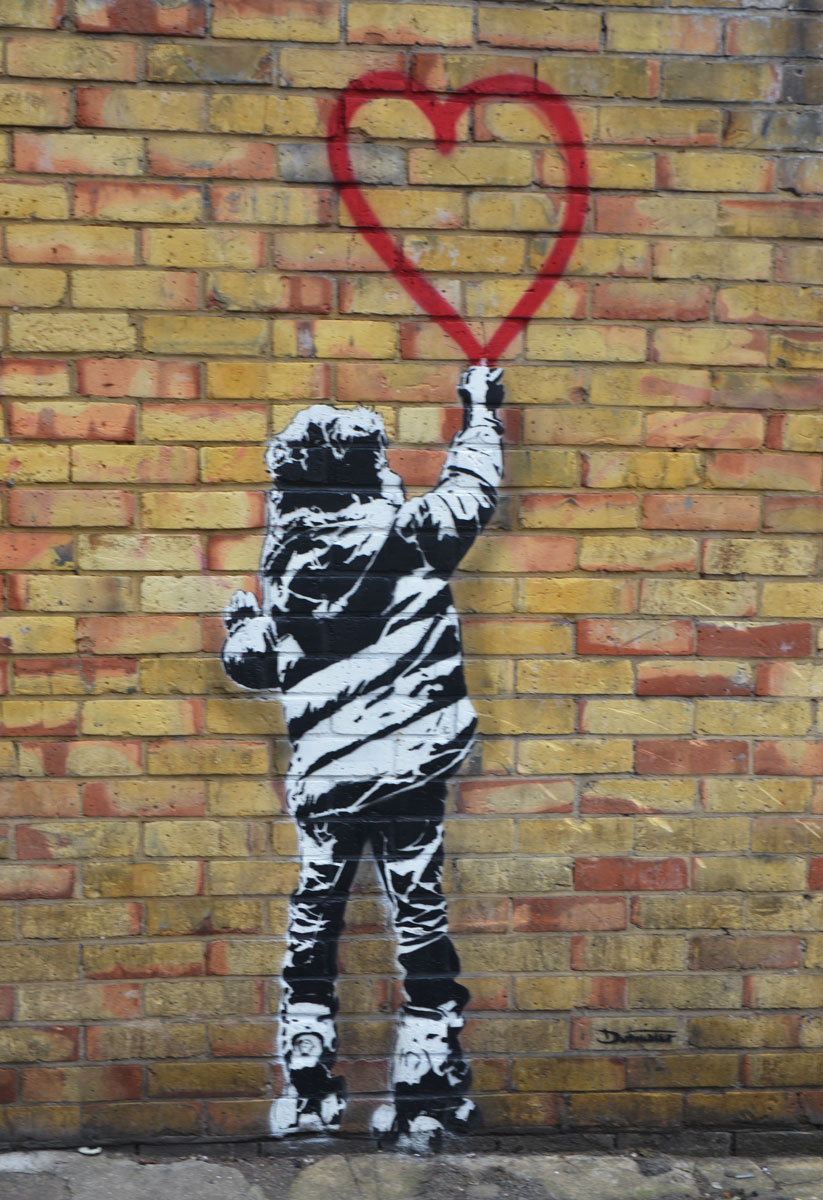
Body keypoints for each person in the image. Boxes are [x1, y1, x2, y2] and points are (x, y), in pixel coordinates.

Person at [222, 364, 505, 1146]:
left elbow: (262, 663)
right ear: (371, 469)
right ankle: (423, 1073)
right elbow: (474, 485)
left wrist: (239, 631)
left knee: (316, 913)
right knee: (418, 911)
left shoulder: (285, 572)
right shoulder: (416, 536)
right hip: (412, 768)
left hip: (328, 778)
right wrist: (479, 409)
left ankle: (308, 1075)